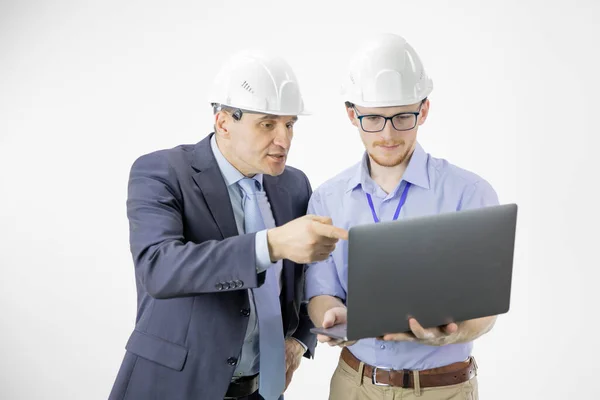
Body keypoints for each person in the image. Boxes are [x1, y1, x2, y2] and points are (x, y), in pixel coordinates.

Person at [109, 50, 348, 400]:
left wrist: (299, 339)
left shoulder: (293, 185)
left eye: (290, 124)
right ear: (223, 122)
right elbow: (158, 268)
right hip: (173, 387)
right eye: (268, 124)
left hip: (261, 390)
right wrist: (269, 246)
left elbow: (307, 278)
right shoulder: (162, 172)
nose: (284, 140)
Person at [305, 33, 500, 399]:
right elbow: (321, 292)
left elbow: (485, 310)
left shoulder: (471, 194)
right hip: (354, 385)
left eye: (403, 117)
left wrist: (448, 334)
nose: (389, 134)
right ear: (352, 115)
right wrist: (330, 317)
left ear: (424, 110)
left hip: (442, 389)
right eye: (374, 119)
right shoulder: (327, 198)